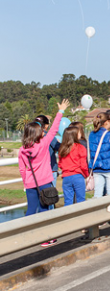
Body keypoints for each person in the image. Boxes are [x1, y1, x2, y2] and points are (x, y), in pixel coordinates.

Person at [19, 99, 68, 246]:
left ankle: (26, 237)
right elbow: (53, 129)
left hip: (30, 184)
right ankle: (47, 238)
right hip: (45, 181)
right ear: (38, 133)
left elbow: (22, 169)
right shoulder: (43, 144)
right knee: (45, 209)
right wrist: (61, 111)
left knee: (31, 210)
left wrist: (25, 182)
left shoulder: (22, 149)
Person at [59, 125, 88, 206]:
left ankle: (68, 218)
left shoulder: (62, 148)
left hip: (66, 177)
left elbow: (60, 164)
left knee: (68, 201)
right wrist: (86, 174)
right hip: (78, 176)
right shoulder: (80, 147)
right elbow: (83, 164)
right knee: (81, 200)